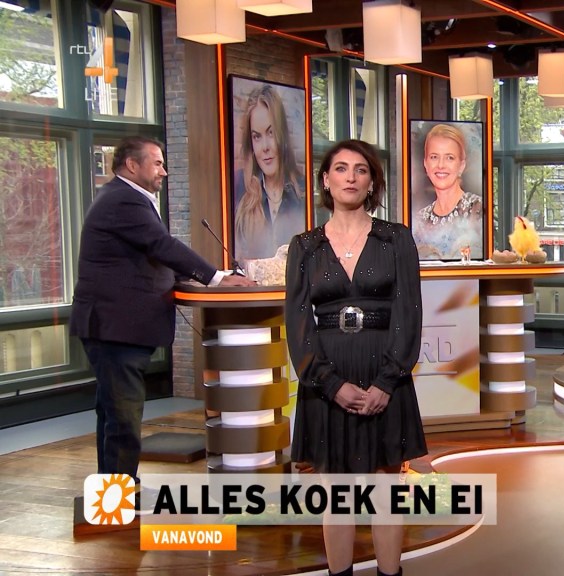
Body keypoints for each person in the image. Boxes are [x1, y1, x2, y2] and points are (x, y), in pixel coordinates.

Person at [69, 136, 255, 480]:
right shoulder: (123, 199)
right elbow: (161, 244)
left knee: (114, 414)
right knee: (122, 417)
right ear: (132, 165)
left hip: (115, 327)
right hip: (114, 328)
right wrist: (215, 277)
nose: (164, 172)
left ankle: (114, 492)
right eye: (157, 163)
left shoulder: (124, 196)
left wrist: (203, 276)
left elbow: (148, 252)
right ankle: (119, 496)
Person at [285, 139, 426, 576]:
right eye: (341, 168)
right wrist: (330, 384)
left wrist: (387, 381)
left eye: (361, 169)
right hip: (328, 379)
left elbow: (409, 314)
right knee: (337, 493)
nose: (351, 176)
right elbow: (298, 324)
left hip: (384, 374)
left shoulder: (396, 238)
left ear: (371, 182)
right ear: (326, 181)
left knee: (386, 489)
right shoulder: (305, 246)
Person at [234, 83, 306, 260]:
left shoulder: (302, 191)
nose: (265, 147)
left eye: (271, 133)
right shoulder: (239, 186)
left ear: (282, 135)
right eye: (257, 137)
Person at [415, 123, 483, 260]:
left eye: (449, 158)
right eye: (434, 157)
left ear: (461, 166)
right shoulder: (420, 218)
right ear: (425, 163)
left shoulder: (477, 208)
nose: (441, 165)